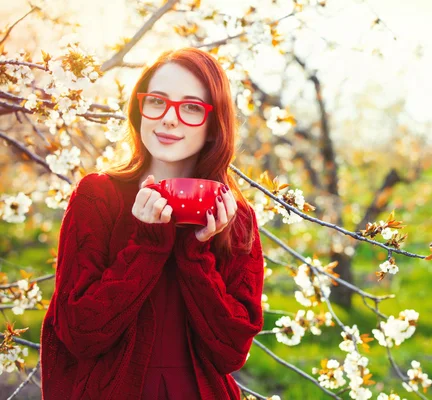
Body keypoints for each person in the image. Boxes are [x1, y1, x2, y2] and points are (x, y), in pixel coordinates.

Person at [40, 47, 265, 400]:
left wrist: (196, 255)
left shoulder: (235, 218)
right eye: (157, 101)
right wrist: (147, 245)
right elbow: (78, 333)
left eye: (191, 107)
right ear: (139, 110)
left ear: (212, 125)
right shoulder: (98, 196)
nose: (169, 118)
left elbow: (231, 352)